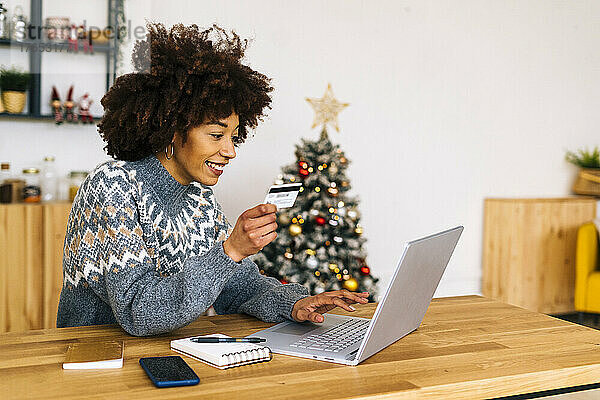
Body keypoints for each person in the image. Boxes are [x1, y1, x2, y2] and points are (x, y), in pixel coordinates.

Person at [56, 23, 368, 336]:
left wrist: (295, 304)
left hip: (165, 352)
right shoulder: (113, 185)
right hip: (95, 361)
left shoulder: (199, 199)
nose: (230, 151)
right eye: (217, 135)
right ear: (174, 131)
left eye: (234, 137)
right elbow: (139, 312)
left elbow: (239, 288)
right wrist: (230, 250)